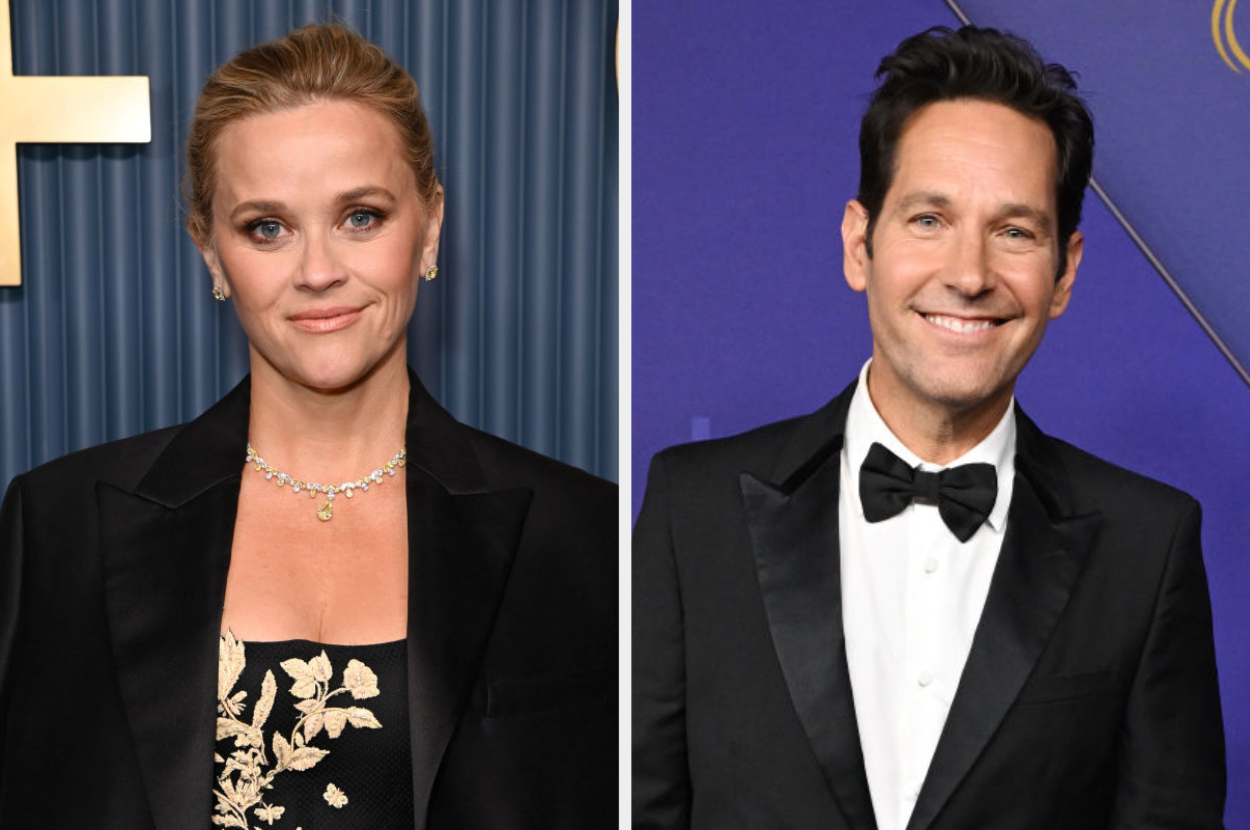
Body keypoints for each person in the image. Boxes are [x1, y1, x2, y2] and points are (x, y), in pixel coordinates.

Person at [0, 23, 615, 828]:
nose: (319, 271)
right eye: (267, 227)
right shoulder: (58, 524)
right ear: (210, 252)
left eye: (361, 216)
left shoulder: (581, 533)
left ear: (429, 225)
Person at [633, 25, 1225, 830]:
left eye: (1014, 231)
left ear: (1065, 273)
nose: (970, 274)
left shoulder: (1146, 546)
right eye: (928, 219)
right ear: (858, 244)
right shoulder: (690, 509)